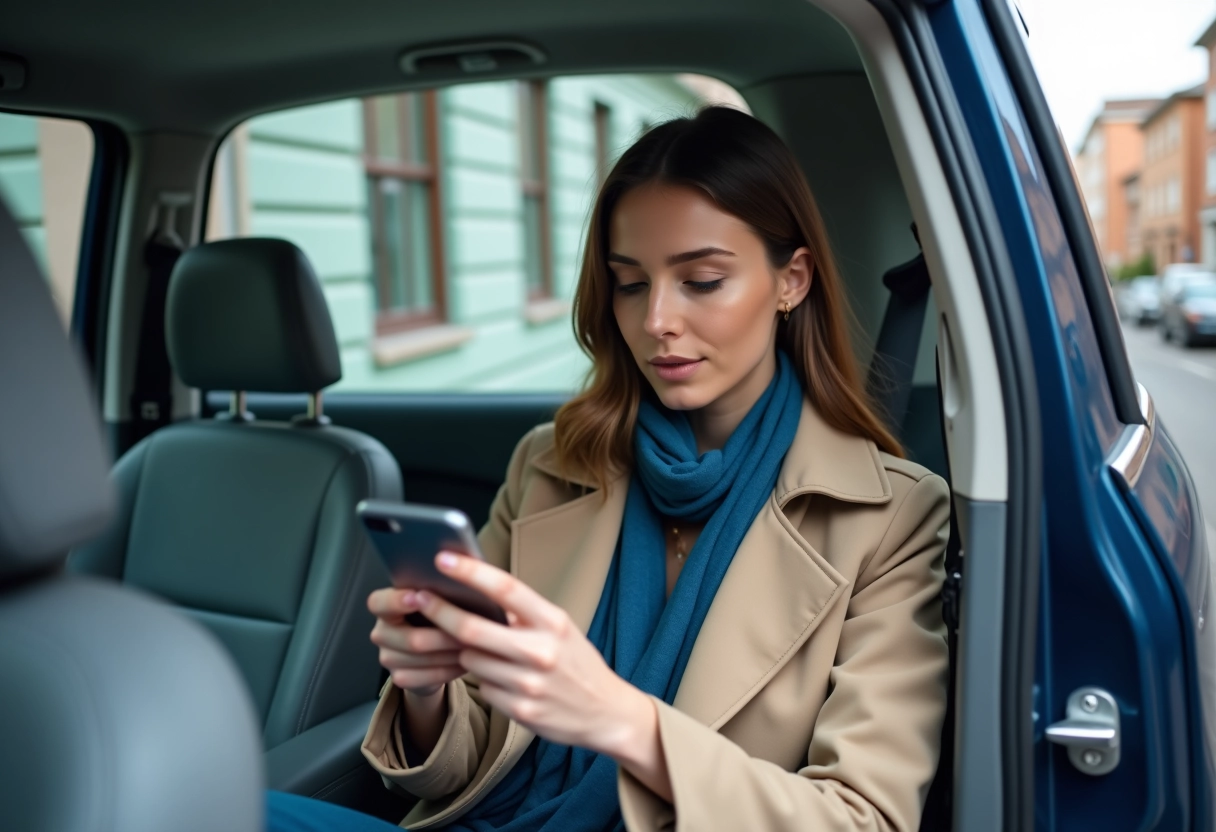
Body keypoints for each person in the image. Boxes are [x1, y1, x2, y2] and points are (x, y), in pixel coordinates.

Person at [268, 105, 950, 832]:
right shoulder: (550, 461)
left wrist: (620, 719)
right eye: (630, 283)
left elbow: (861, 819)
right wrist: (426, 691)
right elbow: (460, 769)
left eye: (702, 280)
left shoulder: (893, 517)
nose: (656, 318)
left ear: (792, 280)